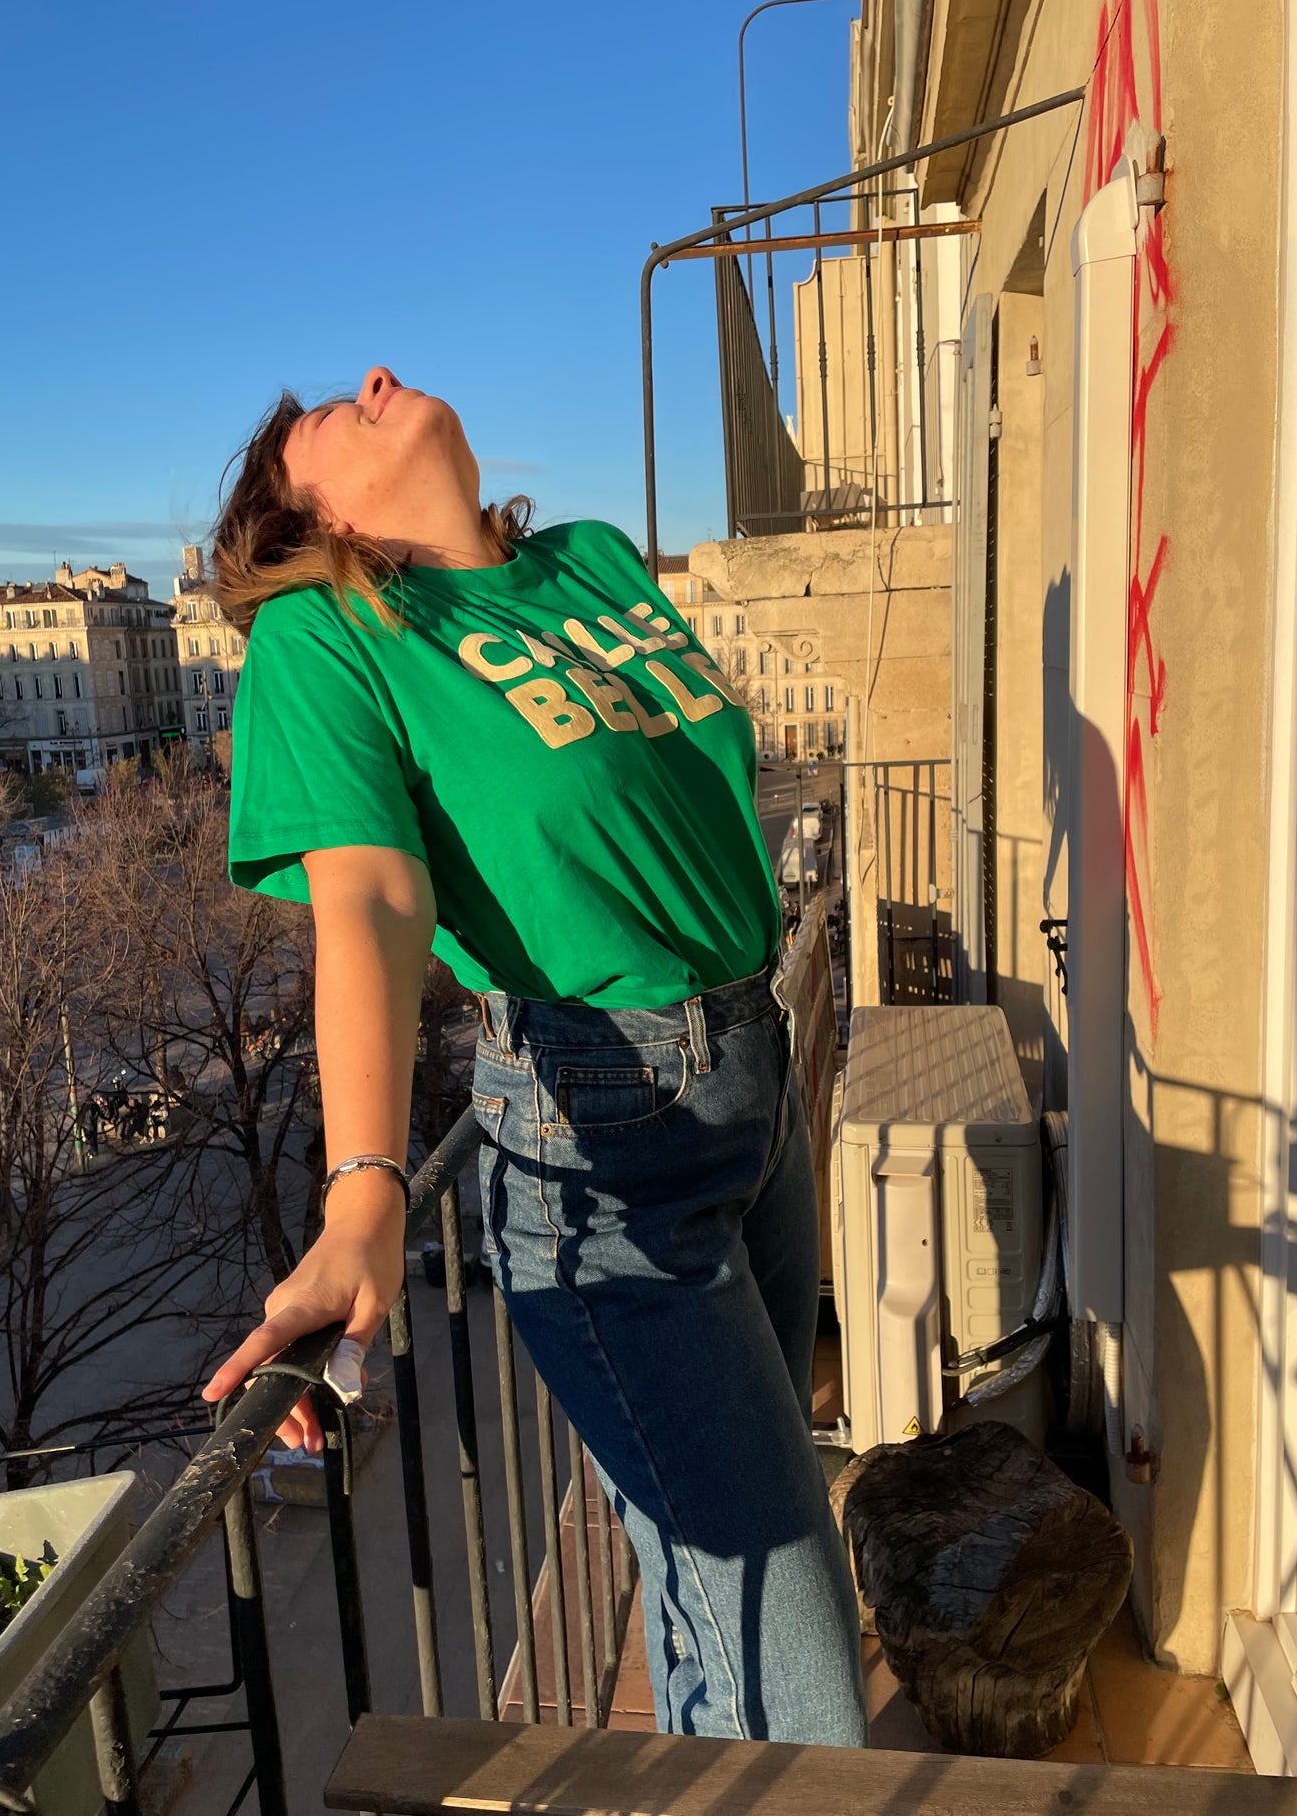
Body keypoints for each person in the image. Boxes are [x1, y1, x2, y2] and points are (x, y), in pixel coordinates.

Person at [200, 367, 867, 1746]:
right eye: (327, 410)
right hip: (598, 1137)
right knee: (800, 1673)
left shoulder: (592, 565)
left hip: (751, 1076)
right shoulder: (328, 636)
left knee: (724, 1618)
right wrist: (366, 1188)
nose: (375, 379)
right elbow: (373, 900)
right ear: (312, 517)